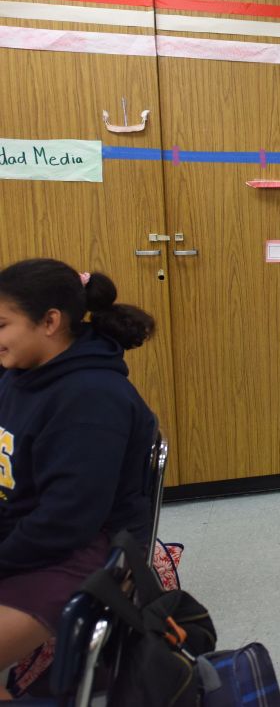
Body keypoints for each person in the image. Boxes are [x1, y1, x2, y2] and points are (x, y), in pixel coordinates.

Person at [0, 259, 157, 698]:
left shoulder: (91, 397)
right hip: (28, 534)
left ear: (50, 321)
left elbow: (66, 521)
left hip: (82, 555)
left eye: (1, 325)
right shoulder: (21, 374)